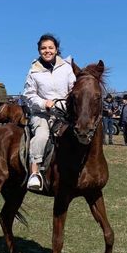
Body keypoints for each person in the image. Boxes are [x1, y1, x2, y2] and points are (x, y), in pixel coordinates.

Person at [23, 33, 76, 190]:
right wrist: (44, 103)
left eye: (50, 48)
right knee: (41, 135)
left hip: (64, 113)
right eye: (43, 48)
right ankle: (34, 173)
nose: (47, 51)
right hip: (42, 114)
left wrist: (68, 104)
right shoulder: (34, 71)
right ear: (39, 50)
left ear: (56, 49)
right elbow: (28, 95)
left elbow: (73, 89)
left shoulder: (66, 68)